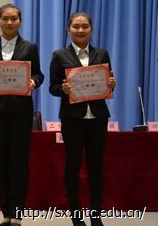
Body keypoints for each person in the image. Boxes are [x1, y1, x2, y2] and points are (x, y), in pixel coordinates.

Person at [0, 4, 45, 226]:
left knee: (19, 162)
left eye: (14, 18)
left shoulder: (30, 47)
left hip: (21, 111)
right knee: (1, 161)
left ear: (20, 22)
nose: (9, 22)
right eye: (5, 18)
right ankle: (6, 212)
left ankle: (17, 212)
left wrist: (33, 82)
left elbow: (39, 74)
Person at [49, 12, 116, 226]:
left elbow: (108, 81)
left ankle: (96, 216)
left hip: (98, 117)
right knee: (73, 166)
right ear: (68, 29)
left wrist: (111, 84)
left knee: (96, 167)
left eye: (85, 26)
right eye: (76, 26)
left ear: (91, 29)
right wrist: (63, 89)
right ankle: (76, 217)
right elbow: (53, 87)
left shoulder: (102, 53)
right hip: (72, 118)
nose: (80, 30)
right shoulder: (59, 55)